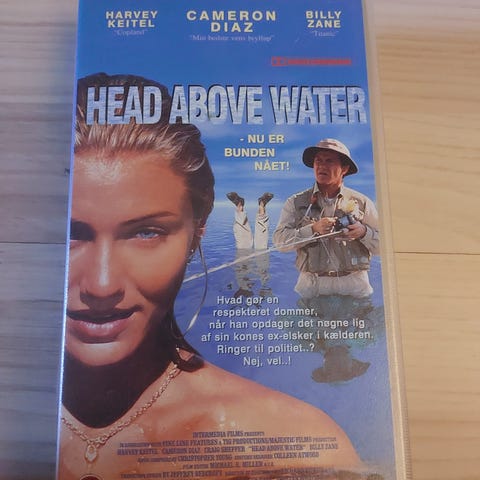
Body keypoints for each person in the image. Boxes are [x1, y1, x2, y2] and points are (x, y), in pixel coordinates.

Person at [57, 75, 364, 480]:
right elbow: (283, 241)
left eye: (146, 233)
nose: (101, 286)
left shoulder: (296, 444)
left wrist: (357, 230)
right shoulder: (296, 203)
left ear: (197, 233)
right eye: (71, 233)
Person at [273, 139, 380, 299]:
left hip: (355, 286)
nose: (322, 166)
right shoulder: (294, 202)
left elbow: (383, 247)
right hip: (311, 285)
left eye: (329, 161)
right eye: (318, 161)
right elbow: (279, 242)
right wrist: (312, 229)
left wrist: (363, 232)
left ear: (344, 169)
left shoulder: (363, 202)